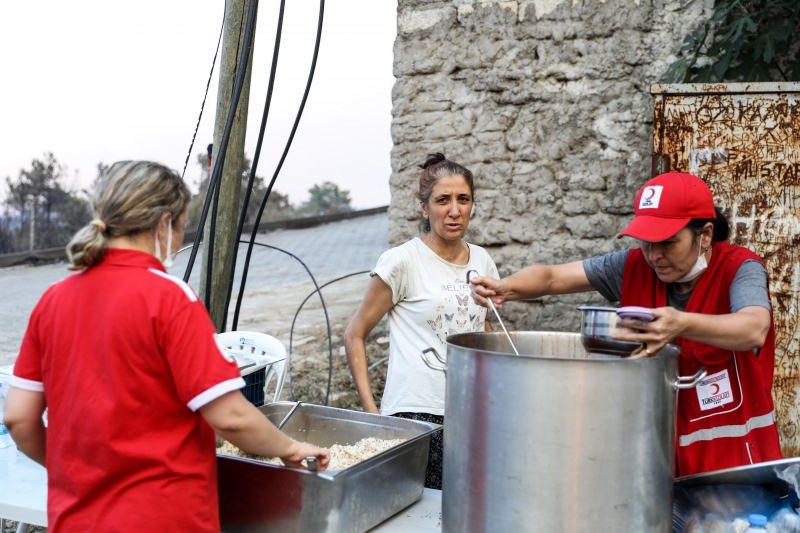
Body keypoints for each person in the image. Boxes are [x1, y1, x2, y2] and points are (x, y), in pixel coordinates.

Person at [3, 161, 328, 532]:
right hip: (164, 517)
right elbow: (231, 417)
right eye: (181, 227)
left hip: (77, 519)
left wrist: (72, 472)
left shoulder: (53, 300)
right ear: (164, 223)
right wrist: (290, 448)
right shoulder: (167, 296)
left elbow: (19, 418)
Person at [470, 171, 781, 477]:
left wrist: (681, 323)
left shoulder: (741, 269)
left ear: (706, 235)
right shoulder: (633, 266)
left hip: (736, 465)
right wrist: (506, 288)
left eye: (668, 243)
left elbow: (753, 328)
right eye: (647, 243)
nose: (655, 256)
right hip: (655, 462)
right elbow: (552, 277)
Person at [345, 153, 498, 489]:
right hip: (417, 414)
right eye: (443, 200)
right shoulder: (402, 262)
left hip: (471, 409)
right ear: (424, 208)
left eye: (464, 199)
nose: (454, 211)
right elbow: (355, 333)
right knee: (424, 514)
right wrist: (372, 412)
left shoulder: (483, 260)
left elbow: (484, 330)